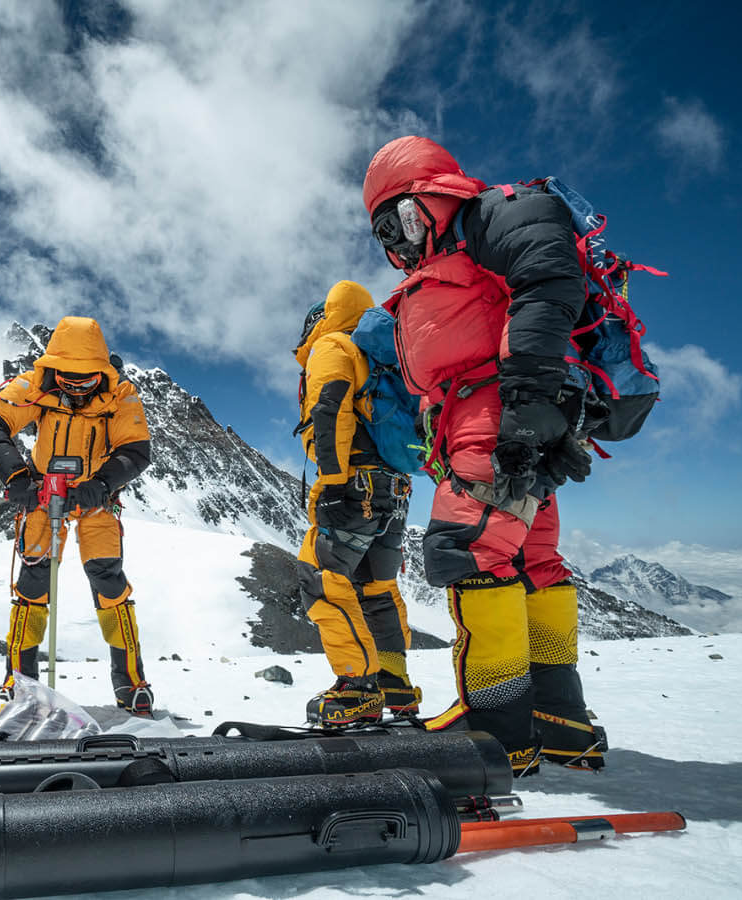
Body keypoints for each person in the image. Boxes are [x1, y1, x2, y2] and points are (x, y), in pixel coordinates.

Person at [362, 135, 603, 774]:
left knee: (463, 550)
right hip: (496, 414)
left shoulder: (496, 213)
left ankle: (496, 731)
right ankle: (557, 719)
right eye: (386, 234)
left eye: (404, 220)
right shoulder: (455, 253)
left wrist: (527, 401)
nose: (400, 244)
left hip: (498, 412)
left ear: (435, 195)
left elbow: (549, 278)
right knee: (531, 560)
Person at [0, 316, 154, 715]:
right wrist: (18, 477)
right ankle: (18, 684)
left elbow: (136, 450)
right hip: (43, 494)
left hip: (96, 500)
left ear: (102, 373)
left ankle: (132, 685)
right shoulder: (33, 386)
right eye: (67, 379)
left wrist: (103, 483)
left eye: (85, 380)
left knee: (109, 584)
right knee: (33, 585)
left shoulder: (122, 395)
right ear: (53, 367)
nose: (74, 388)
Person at [293, 280, 422, 726]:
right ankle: (396, 685)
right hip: (396, 490)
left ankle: (357, 686)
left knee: (321, 576)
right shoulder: (385, 356)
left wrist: (332, 482)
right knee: (377, 590)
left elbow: (329, 412)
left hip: (353, 485)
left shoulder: (332, 346)